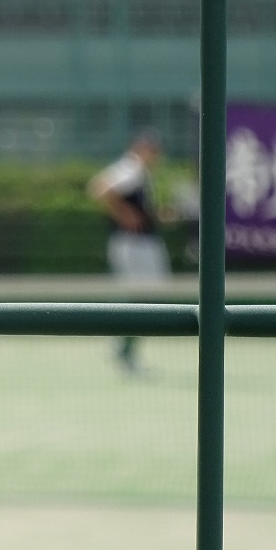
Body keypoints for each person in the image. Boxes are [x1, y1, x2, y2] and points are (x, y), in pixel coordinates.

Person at [87, 129, 171, 373]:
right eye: (149, 150)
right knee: (139, 296)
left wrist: (154, 216)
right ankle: (122, 348)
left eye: (155, 151)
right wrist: (125, 214)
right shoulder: (130, 167)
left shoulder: (140, 172)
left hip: (141, 243)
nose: (153, 155)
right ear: (138, 149)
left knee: (146, 296)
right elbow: (99, 188)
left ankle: (123, 347)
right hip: (133, 244)